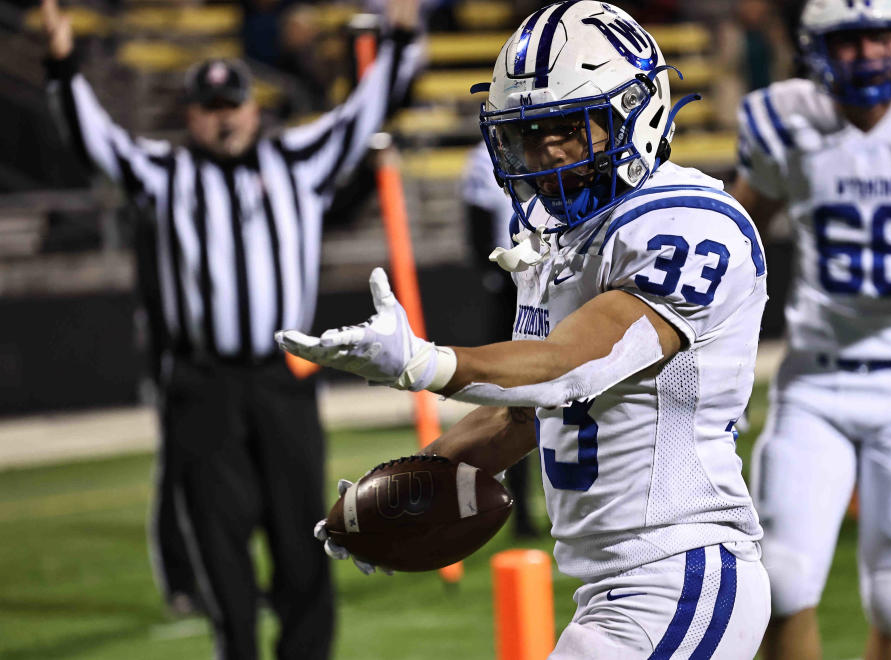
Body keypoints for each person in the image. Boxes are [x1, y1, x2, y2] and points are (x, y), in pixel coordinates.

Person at [279, 2, 772, 656]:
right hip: (614, 584)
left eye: (568, 127)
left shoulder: (688, 221)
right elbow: (523, 417)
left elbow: (573, 364)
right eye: (530, 132)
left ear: (637, 109)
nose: (547, 151)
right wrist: (397, 495)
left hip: (679, 571)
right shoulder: (557, 237)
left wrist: (425, 365)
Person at [40, 0, 422, 656]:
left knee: (305, 538)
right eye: (210, 109)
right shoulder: (165, 173)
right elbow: (92, 139)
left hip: (282, 380)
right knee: (220, 545)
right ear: (192, 116)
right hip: (204, 382)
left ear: (253, 107)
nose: (224, 120)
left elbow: (363, 114)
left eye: (233, 105)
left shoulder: (298, 161)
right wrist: (62, 61)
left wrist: (402, 38)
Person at [730, 1, 891, 658]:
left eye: (881, 38)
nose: (866, 55)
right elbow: (733, 232)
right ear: (818, 50)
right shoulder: (787, 118)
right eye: (849, 41)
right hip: (817, 377)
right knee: (783, 579)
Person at [461, 141, 539, 539]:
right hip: (512, 287)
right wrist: (496, 279)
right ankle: (518, 510)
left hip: (561, 280)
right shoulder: (481, 157)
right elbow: (476, 229)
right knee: (510, 401)